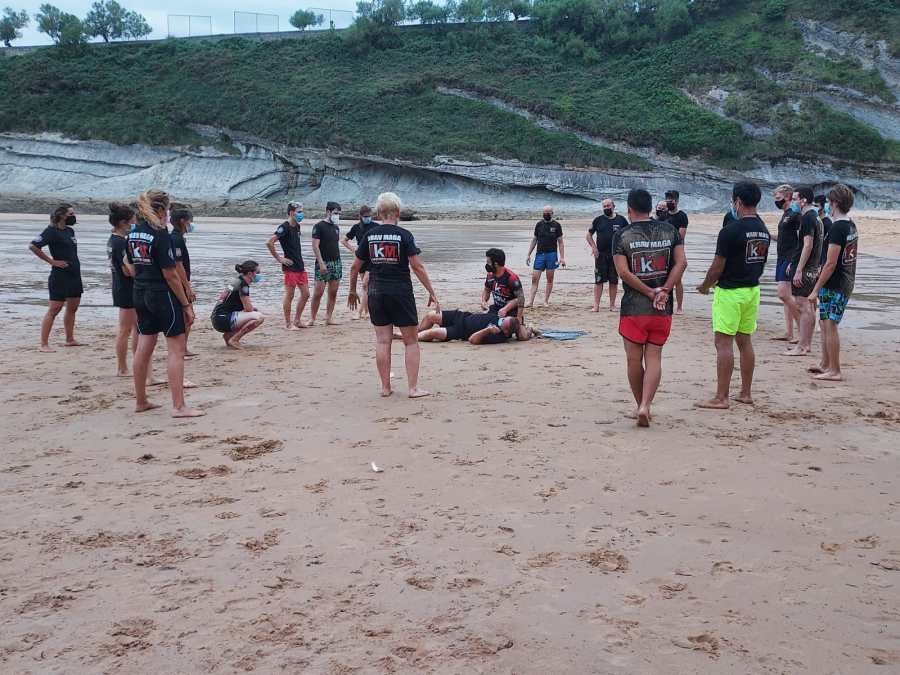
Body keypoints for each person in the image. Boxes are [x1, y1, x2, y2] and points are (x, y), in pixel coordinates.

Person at [348, 192, 439, 398]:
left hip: (376, 292)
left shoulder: (370, 236)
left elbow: (355, 267)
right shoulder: (404, 235)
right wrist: (431, 291)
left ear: (379, 213)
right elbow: (417, 267)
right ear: (398, 213)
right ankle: (413, 388)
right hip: (400, 292)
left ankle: (385, 387)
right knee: (411, 341)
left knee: (382, 341)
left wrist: (352, 291)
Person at [612, 188, 687, 427]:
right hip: (661, 309)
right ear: (650, 207)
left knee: (634, 360)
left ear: (629, 210)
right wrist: (664, 290)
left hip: (635, 308)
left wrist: (648, 291)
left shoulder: (622, 235)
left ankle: (639, 407)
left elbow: (623, 272)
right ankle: (646, 404)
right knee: (654, 356)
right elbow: (681, 263)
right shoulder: (670, 230)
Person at [694, 182, 771, 409]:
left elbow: (717, 266)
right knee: (745, 340)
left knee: (723, 342)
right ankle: (745, 393)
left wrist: (705, 285)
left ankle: (721, 397)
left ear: (737, 201)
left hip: (730, 291)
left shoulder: (730, 231)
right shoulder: (763, 229)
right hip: (752, 289)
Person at [126, 190, 203, 418]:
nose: (168, 214)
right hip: (162, 295)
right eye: (167, 210)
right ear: (160, 210)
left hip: (140, 292)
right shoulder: (160, 235)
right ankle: (179, 406)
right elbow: (170, 274)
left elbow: (129, 266)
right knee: (176, 351)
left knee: (143, 348)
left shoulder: (132, 234)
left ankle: (141, 400)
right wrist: (186, 304)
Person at [807, 184, 858, 381]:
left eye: (828, 202)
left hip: (836, 283)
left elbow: (830, 263)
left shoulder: (838, 227)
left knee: (830, 324)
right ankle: (825, 363)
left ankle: (835, 370)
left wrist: (815, 289)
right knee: (824, 321)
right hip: (844, 280)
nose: (827, 205)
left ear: (835, 203)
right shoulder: (850, 224)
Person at [29, 204, 84, 351]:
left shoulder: (70, 231)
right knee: (54, 309)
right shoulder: (50, 231)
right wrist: (51, 261)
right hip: (59, 276)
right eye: (71, 213)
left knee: (73, 307)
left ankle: (70, 339)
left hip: (74, 274)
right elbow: (33, 246)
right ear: (62, 215)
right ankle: (43, 344)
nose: (74, 216)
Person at [783, 187, 823, 356]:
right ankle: (805, 344)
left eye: (796, 199)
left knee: (803, 305)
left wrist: (799, 269)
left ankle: (803, 345)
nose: (794, 202)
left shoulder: (807, 218)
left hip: (806, 269)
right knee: (809, 307)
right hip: (813, 268)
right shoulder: (817, 218)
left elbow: (808, 245)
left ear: (804, 200)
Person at [266, 201, 309, 329]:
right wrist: (280, 258)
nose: (302, 214)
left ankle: (297, 320)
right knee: (290, 295)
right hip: (290, 267)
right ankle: (288, 323)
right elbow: (269, 242)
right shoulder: (284, 227)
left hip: (300, 265)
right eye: (299, 212)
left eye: (302, 211)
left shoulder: (297, 227)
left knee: (306, 294)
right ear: (291, 212)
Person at [211, 261, 266, 349]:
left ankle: (228, 336)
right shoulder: (243, 285)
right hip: (223, 319)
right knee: (259, 317)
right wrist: (251, 309)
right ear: (250, 273)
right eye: (258, 273)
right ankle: (235, 339)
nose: (259, 275)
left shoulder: (237, 280)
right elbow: (248, 308)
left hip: (217, 318)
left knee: (253, 313)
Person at [770, 184, 800, 343]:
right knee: (786, 296)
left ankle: (802, 329)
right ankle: (789, 332)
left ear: (787, 196)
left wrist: (794, 261)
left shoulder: (794, 215)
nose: (776, 201)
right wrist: (767, 235)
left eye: (778, 198)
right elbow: (783, 237)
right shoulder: (785, 215)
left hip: (790, 257)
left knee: (783, 293)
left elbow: (801, 240)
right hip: (781, 256)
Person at [586, 198, 627, 312]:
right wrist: (594, 248)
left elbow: (627, 235)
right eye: (604, 206)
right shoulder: (598, 220)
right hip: (601, 255)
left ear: (613, 206)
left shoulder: (621, 220)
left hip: (616, 255)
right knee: (598, 280)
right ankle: (596, 306)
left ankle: (612, 305)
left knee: (613, 281)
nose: (606, 208)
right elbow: (589, 235)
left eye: (608, 206)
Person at [169, 203, 197, 357]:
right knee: (188, 316)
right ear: (182, 221)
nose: (190, 224)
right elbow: (178, 266)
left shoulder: (176, 238)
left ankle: (183, 347)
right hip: (179, 283)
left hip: (179, 282)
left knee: (187, 317)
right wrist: (188, 287)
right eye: (189, 221)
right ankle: (182, 348)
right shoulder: (176, 239)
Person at [310, 201, 343, 326]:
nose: (337, 216)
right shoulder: (319, 226)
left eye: (339, 214)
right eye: (335, 213)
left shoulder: (336, 227)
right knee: (318, 292)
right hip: (323, 262)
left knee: (333, 291)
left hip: (336, 261)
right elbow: (315, 246)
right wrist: (321, 263)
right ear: (328, 211)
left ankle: (328, 318)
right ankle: (312, 318)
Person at [526, 205, 565, 307]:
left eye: (548, 213)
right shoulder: (539, 224)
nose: (546, 215)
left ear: (552, 213)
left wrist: (562, 257)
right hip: (540, 254)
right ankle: (530, 302)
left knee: (550, 279)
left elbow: (560, 242)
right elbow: (534, 240)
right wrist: (529, 254)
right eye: (544, 213)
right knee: (535, 278)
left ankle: (545, 301)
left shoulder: (557, 225)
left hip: (552, 255)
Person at [414, 310, 532, 344]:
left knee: (433, 333)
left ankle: (406, 337)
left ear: (506, 332)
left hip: (460, 331)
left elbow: (472, 339)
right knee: (430, 315)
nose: (500, 321)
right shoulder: (504, 320)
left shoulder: (497, 336)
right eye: (502, 320)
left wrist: (487, 330)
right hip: (460, 316)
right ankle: (416, 331)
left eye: (502, 323)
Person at [342, 205, 375, 320]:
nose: (368, 218)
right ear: (360, 216)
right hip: (361, 259)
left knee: (365, 285)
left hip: (373, 259)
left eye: (370, 216)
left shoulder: (375, 226)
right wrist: (354, 250)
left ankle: (360, 312)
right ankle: (367, 311)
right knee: (366, 286)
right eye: (366, 216)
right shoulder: (356, 227)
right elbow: (344, 240)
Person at [661, 191, 689, 314]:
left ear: (676, 201)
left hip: (677, 251)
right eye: (667, 200)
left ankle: (679, 307)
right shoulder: (663, 215)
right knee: (663, 279)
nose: (669, 202)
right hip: (663, 251)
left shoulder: (682, 216)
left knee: (677, 280)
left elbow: (681, 236)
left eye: (671, 200)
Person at [482, 248, 525, 321]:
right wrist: (483, 301)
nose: (486, 265)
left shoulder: (512, 278)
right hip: (496, 308)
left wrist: (519, 319)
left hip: (511, 311)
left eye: (488, 262)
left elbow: (521, 299)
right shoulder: (490, 275)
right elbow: (486, 290)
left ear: (496, 264)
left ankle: (529, 329)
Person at [813, 194, 833, 265]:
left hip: (821, 262)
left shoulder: (828, 224)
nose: (814, 208)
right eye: (813, 206)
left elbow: (827, 246)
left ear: (824, 207)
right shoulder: (816, 221)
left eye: (816, 206)